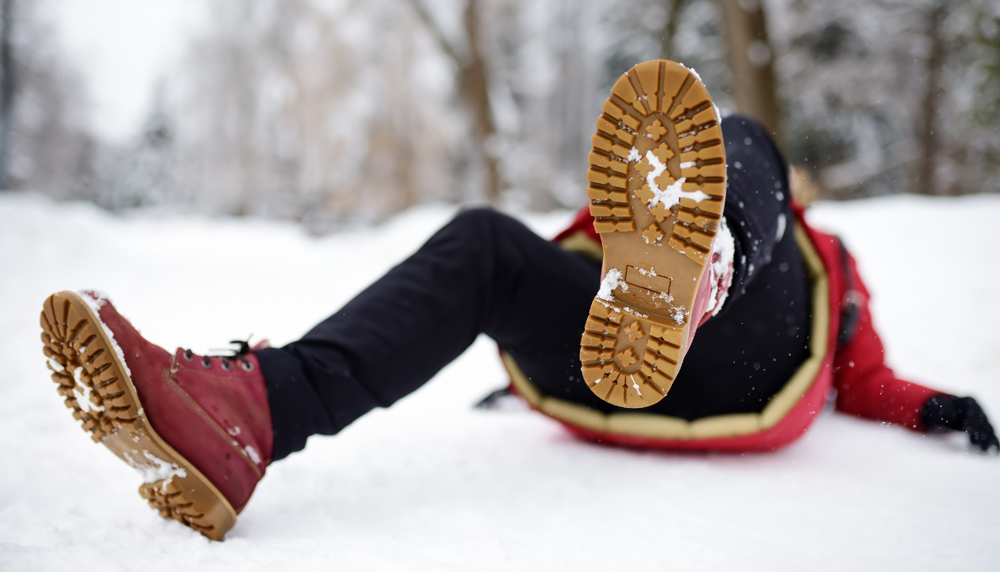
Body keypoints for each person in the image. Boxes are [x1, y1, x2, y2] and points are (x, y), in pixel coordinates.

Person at [39, 60, 997, 541]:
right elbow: (861, 374)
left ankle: (711, 261)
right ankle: (253, 414)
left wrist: (932, 407)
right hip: (626, 375)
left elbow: (860, 375)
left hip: (742, 361)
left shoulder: (823, 253)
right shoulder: (653, 252)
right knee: (487, 244)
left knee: (747, 136)